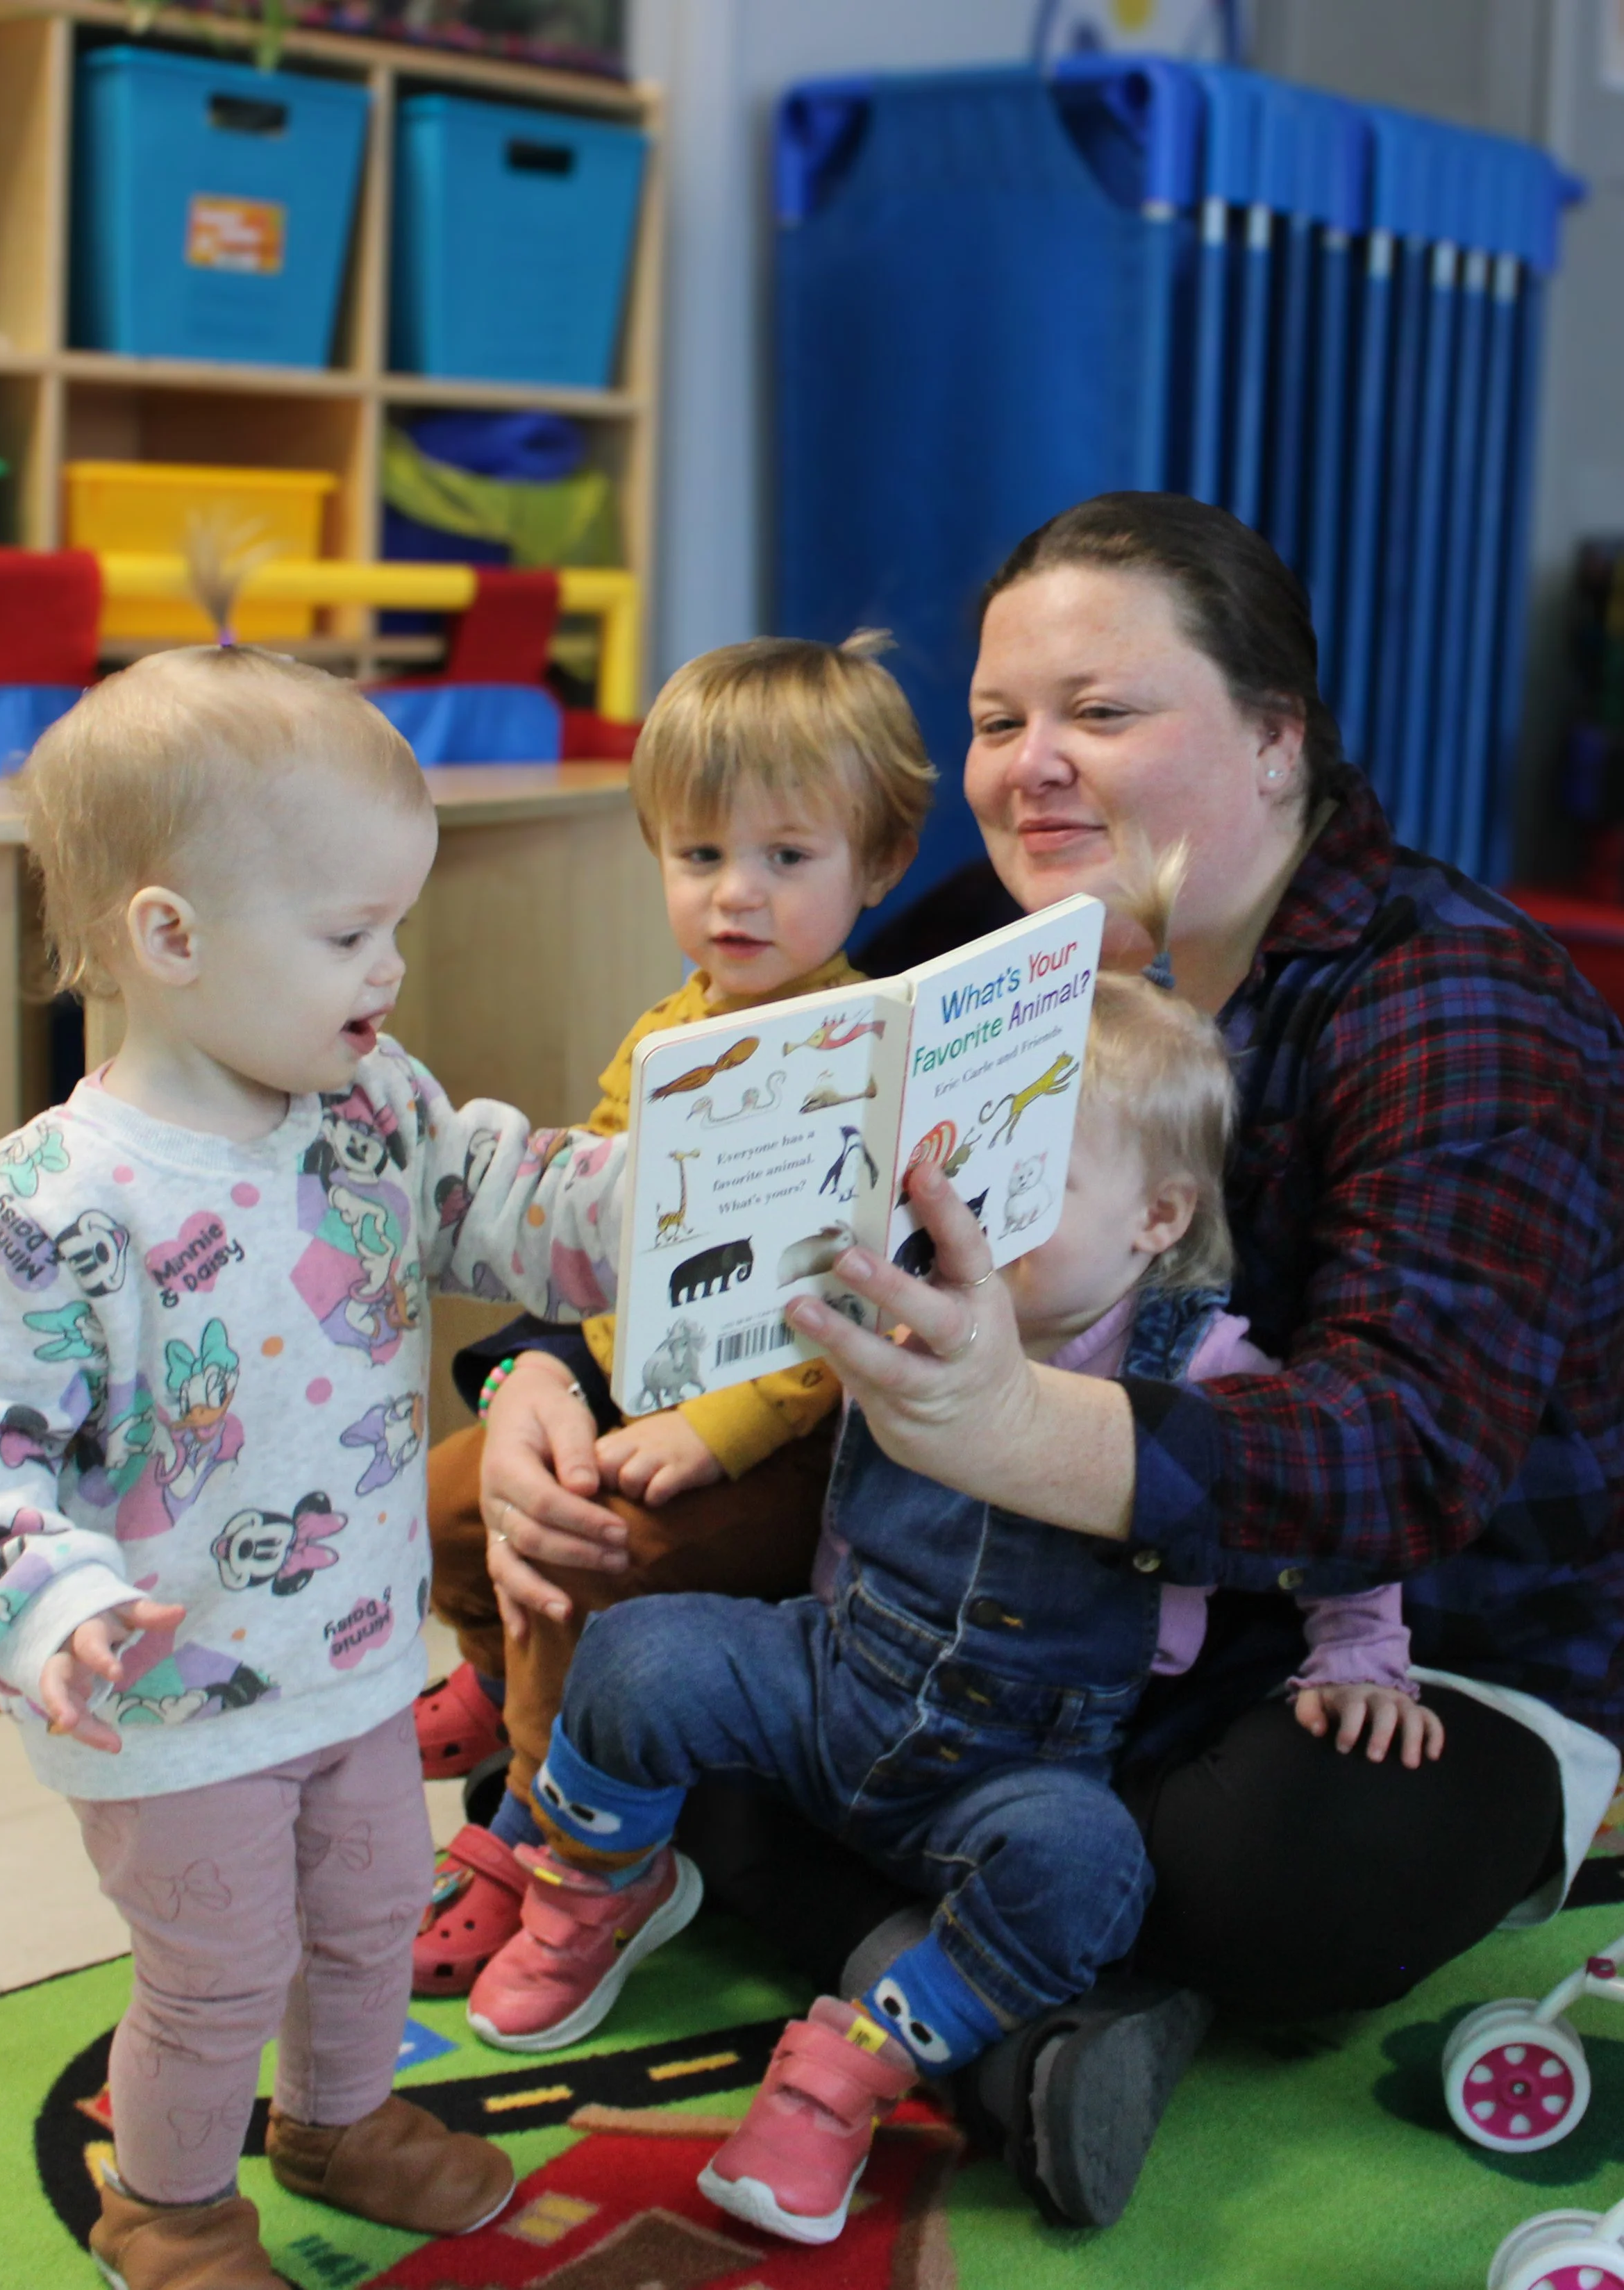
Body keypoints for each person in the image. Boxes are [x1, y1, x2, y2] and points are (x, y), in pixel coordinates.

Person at [471, 492, 1624, 2228]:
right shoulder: (986, 948)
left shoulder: (1457, 1009)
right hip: (991, 1586)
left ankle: (874, 1909)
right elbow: (738, 1194)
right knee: (513, 1528)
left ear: (1272, 733)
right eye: (1000, 720)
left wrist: (1012, 1420)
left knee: (1286, 1868)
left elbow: (1399, 1461)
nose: (1033, 767)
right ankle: (1001, 1978)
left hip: (1392, 1640)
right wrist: (543, 1369)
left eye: (1102, 711)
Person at [462, 878, 1443, 2247]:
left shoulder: (1204, 1364)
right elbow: (681, 1293)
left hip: (1012, 1761)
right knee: (641, 1649)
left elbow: (1329, 1499)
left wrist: (1357, 1649)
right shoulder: (887, 1280)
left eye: (1022, 1182)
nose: (958, 1207)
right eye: (953, 1164)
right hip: (829, 1672)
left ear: (1154, 1219)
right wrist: (533, 1365)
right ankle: (594, 1878)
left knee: (1088, 1862)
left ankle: (852, 2066)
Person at [0, 643, 628, 2290]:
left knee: (373, 1906)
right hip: (170, 1692)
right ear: (171, 936)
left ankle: (339, 2119)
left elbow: (500, 1197)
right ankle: (166, 2200)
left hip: (351, 1653)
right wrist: (47, 1591)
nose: (393, 964)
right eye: (350, 932)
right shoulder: (57, 1200)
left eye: (397, 922)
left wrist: (652, 1204)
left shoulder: (366, 1105)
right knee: (219, 1966)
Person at [413, 632, 930, 1995]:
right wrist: (553, 1379)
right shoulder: (667, 1026)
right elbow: (599, 1216)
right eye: (698, 856)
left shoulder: (861, 1051)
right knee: (444, 1503)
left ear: (872, 867)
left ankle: (546, 1829)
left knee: (585, 1550)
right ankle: (494, 1679)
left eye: (784, 857)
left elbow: (841, 1303)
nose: (732, 895)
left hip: (787, 1441)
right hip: (634, 1382)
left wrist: (711, 1429)